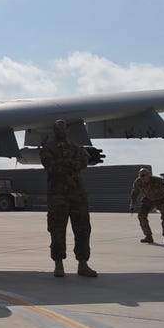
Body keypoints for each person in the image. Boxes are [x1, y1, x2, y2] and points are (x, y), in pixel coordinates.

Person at [39, 119, 104, 278]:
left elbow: (83, 163)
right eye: (58, 129)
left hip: (77, 195)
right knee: (57, 230)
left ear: (67, 131)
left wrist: (64, 163)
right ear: (54, 131)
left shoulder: (77, 148)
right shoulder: (47, 148)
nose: (61, 131)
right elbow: (52, 167)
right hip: (57, 195)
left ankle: (83, 263)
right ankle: (58, 264)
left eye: (63, 128)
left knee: (83, 229)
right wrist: (71, 163)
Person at [130, 167, 164, 244]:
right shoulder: (138, 182)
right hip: (148, 200)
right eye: (140, 175)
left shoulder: (157, 180)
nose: (142, 177)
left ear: (148, 175)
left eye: (144, 175)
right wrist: (133, 203)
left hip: (161, 200)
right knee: (141, 215)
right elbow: (135, 193)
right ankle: (148, 236)